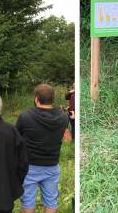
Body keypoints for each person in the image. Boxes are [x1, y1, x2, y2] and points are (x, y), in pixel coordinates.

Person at [16, 84, 70, 213]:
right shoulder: (63, 117)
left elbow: (17, 139)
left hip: (29, 166)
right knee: (51, 202)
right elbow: (66, 138)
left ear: (36, 99)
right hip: (52, 165)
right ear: (53, 98)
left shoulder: (25, 116)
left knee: (28, 202)